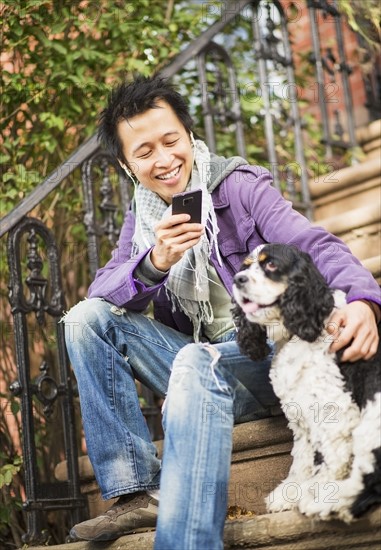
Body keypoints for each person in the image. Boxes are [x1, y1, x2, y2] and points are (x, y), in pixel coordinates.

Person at [63, 74, 381, 549]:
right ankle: (134, 493)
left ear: (189, 136)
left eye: (171, 141)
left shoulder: (240, 187)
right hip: (201, 373)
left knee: (197, 359)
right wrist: (154, 262)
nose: (164, 159)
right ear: (128, 165)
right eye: (144, 151)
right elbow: (101, 293)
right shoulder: (144, 218)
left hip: (267, 362)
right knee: (86, 320)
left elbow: (312, 244)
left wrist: (362, 299)